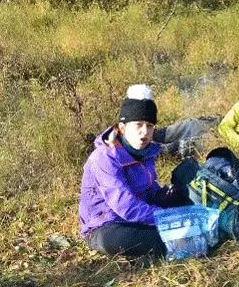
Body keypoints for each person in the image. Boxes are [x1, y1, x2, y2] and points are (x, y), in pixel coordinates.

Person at [79, 85, 189, 257]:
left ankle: (183, 234)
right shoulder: (104, 158)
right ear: (123, 128)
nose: (144, 132)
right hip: (106, 225)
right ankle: (178, 240)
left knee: (185, 200)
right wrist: (165, 217)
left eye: (150, 125)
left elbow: (148, 190)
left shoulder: (146, 152)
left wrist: (162, 196)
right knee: (120, 241)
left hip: (139, 216)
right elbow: (125, 206)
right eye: (138, 125)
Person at [152, 75, 239, 157]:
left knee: (195, 143)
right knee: (192, 124)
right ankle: (151, 135)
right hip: (227, 129)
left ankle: (153, 152)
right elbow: (225, 126)